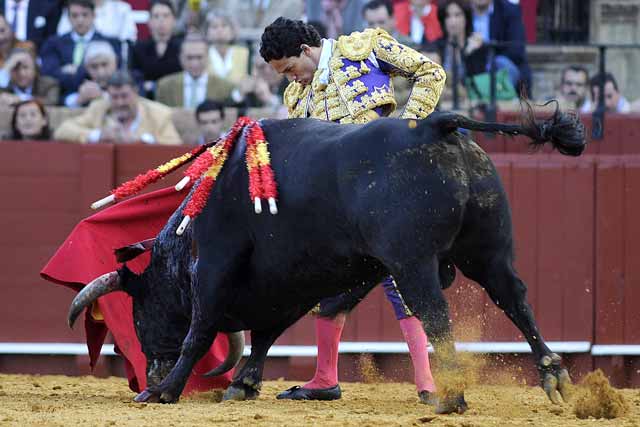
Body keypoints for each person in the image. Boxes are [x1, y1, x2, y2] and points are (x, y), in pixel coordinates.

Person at [260, 17, 445, 403]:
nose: (292, 81)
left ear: (307, 51)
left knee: (402, 279)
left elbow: (430, 71)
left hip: (385, 188)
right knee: (328, 285)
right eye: (284, 76)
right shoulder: (296, 97)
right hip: (335, 208)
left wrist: (405, 129)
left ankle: (427, 383)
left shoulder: (366, 48)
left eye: (292, 69)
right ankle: (325, 376)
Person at [54, 70, 182, 144]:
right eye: (114, 97)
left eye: (124, 96)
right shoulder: (99, 108)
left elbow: (175, 143)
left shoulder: (158, 113)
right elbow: (63, 130)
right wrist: (99, 135)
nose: (120, 102)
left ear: (136, 92)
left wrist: (142, 140)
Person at [39, 0, 121, 99]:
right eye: (75, 15)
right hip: (65, 99)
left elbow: (114, 74)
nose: (80, 20)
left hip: (102, 96)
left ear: (94, 16)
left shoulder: (111, 43)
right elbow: (49, 73)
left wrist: (75, 71)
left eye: (85, 15)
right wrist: (87, 73)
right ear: (68, 18)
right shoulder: (54, 44)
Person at [155, 35, 237, 109]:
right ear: (180, 58)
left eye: (199, 57)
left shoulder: (226, 87)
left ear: (208, 57)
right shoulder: (165, 86)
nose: (195, 63)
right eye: (189, 58)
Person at [469, 0, 531, 93]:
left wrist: (483, 49)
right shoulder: (460, 12)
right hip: (471, 68)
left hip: (500, 70)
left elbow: (516, 50)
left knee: (501, 63)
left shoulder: (509, 11)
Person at [130, 0, 183, 98]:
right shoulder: (138, 48)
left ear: (174, 20)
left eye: (166, 15)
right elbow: (135, 77)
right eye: (156, 16)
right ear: (149, 21)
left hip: (177, 97)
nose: (161, 20)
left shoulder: (183, 47)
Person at [63, 40, 117, 108]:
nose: (101, 72)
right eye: (94, 67)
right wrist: (79, 99)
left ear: (115, 63)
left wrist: (102, 95)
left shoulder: (124, 79)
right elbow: (64, 100)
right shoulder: (79, 78)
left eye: (104, 64)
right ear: (86, 67)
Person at [56, 0, 137, 42]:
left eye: (85, 14)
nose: (80, 19)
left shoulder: (122, 9)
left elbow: (128, 40)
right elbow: (62, 35)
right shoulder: (73, 8)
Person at [205, 11, 249, 85]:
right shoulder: (202, 54)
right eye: (214, 27)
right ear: (207, 33)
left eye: (224, 26)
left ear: (232, 31)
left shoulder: (244, 53)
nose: (219, 30)